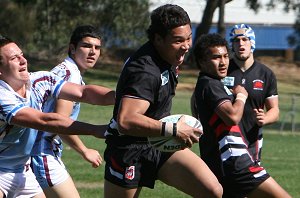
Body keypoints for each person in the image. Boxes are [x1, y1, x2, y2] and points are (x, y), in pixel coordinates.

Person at [103, 4, 223, 198]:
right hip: (129, 150)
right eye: (178, 40)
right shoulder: (145, 70)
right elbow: (126, 120)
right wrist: (174, 130)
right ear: (158, 39)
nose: (186, 46)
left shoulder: (168, 58)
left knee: (212, 190)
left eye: (188, 38)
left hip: (159, 142)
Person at [0, 36, 115, 198]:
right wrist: (95, 130)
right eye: (13, 58)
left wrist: (124, 98)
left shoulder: (40, 80)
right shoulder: (2, 96)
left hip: (22, 171)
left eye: (21, 54)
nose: (23, 60)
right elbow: (46, 121)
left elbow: (84, 92)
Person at [193, 33, 291, 197]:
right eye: (217, 57)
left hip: (226, 161)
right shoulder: (209, 84)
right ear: (202, 62)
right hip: (235, 162)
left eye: (225, 56)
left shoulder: (211, 82)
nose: (223, 62)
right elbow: (232, 117)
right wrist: (241, 95)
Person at [30, 25, 106, 198]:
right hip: (42, 152)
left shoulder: (67, 70)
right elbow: (59, 122)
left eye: (97, 47)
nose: (93, 52)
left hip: (40, 151)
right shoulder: (69, 74)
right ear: (72, 48)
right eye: (86, 46)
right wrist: (84, 150)